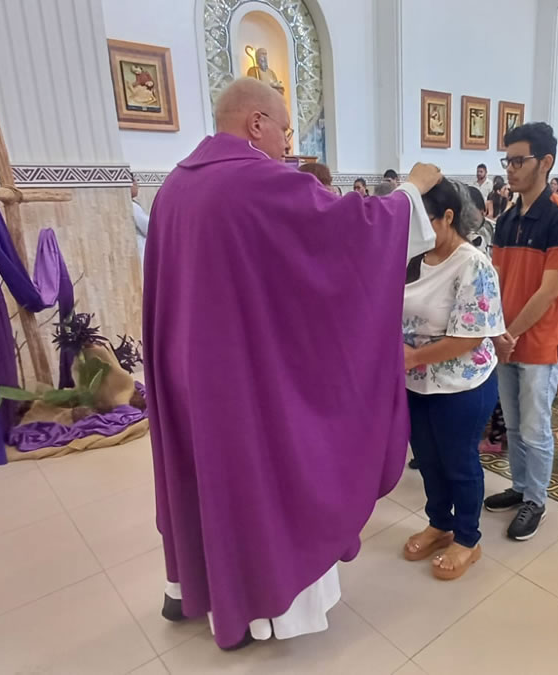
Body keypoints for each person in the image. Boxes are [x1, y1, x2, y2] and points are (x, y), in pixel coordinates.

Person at [143, 78, 443, 649]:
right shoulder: (255, 180)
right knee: (255, 478)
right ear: (256, 123)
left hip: (185, 364)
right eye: (284, 129)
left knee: (201, 475)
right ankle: (260, 609)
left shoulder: (175, 186)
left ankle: (194, 587)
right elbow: (350, 233)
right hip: (236, 375)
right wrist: (412, 190)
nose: (288, 143)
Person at [401, 179, 504, 582]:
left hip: (462, 384)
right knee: (428, 459)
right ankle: (439, 523)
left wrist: (413, 356)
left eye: (422, 221)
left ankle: (467, 537)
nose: (414, 232)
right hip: (415, 382)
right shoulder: (413, 258)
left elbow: (470, 336)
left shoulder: (472, 264)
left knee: (459, 462)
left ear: (448, 217)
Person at [482, 122, 558, 541]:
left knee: (535, 428)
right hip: (507, 339)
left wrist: (510, 333)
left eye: (519, 160)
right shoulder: (507, 218)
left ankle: (536, 500)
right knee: (514, 425)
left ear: (546, 162)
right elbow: (496, 279)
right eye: (507, 160)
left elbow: (550, 290)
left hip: (537, 340)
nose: (510, 168)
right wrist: (495, 331)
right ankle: (520, 486)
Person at [132, 176, 149, 267]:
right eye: (135, 184)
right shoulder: (133, 206)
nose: (138, 187)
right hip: (139, 247)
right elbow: (147, 227)